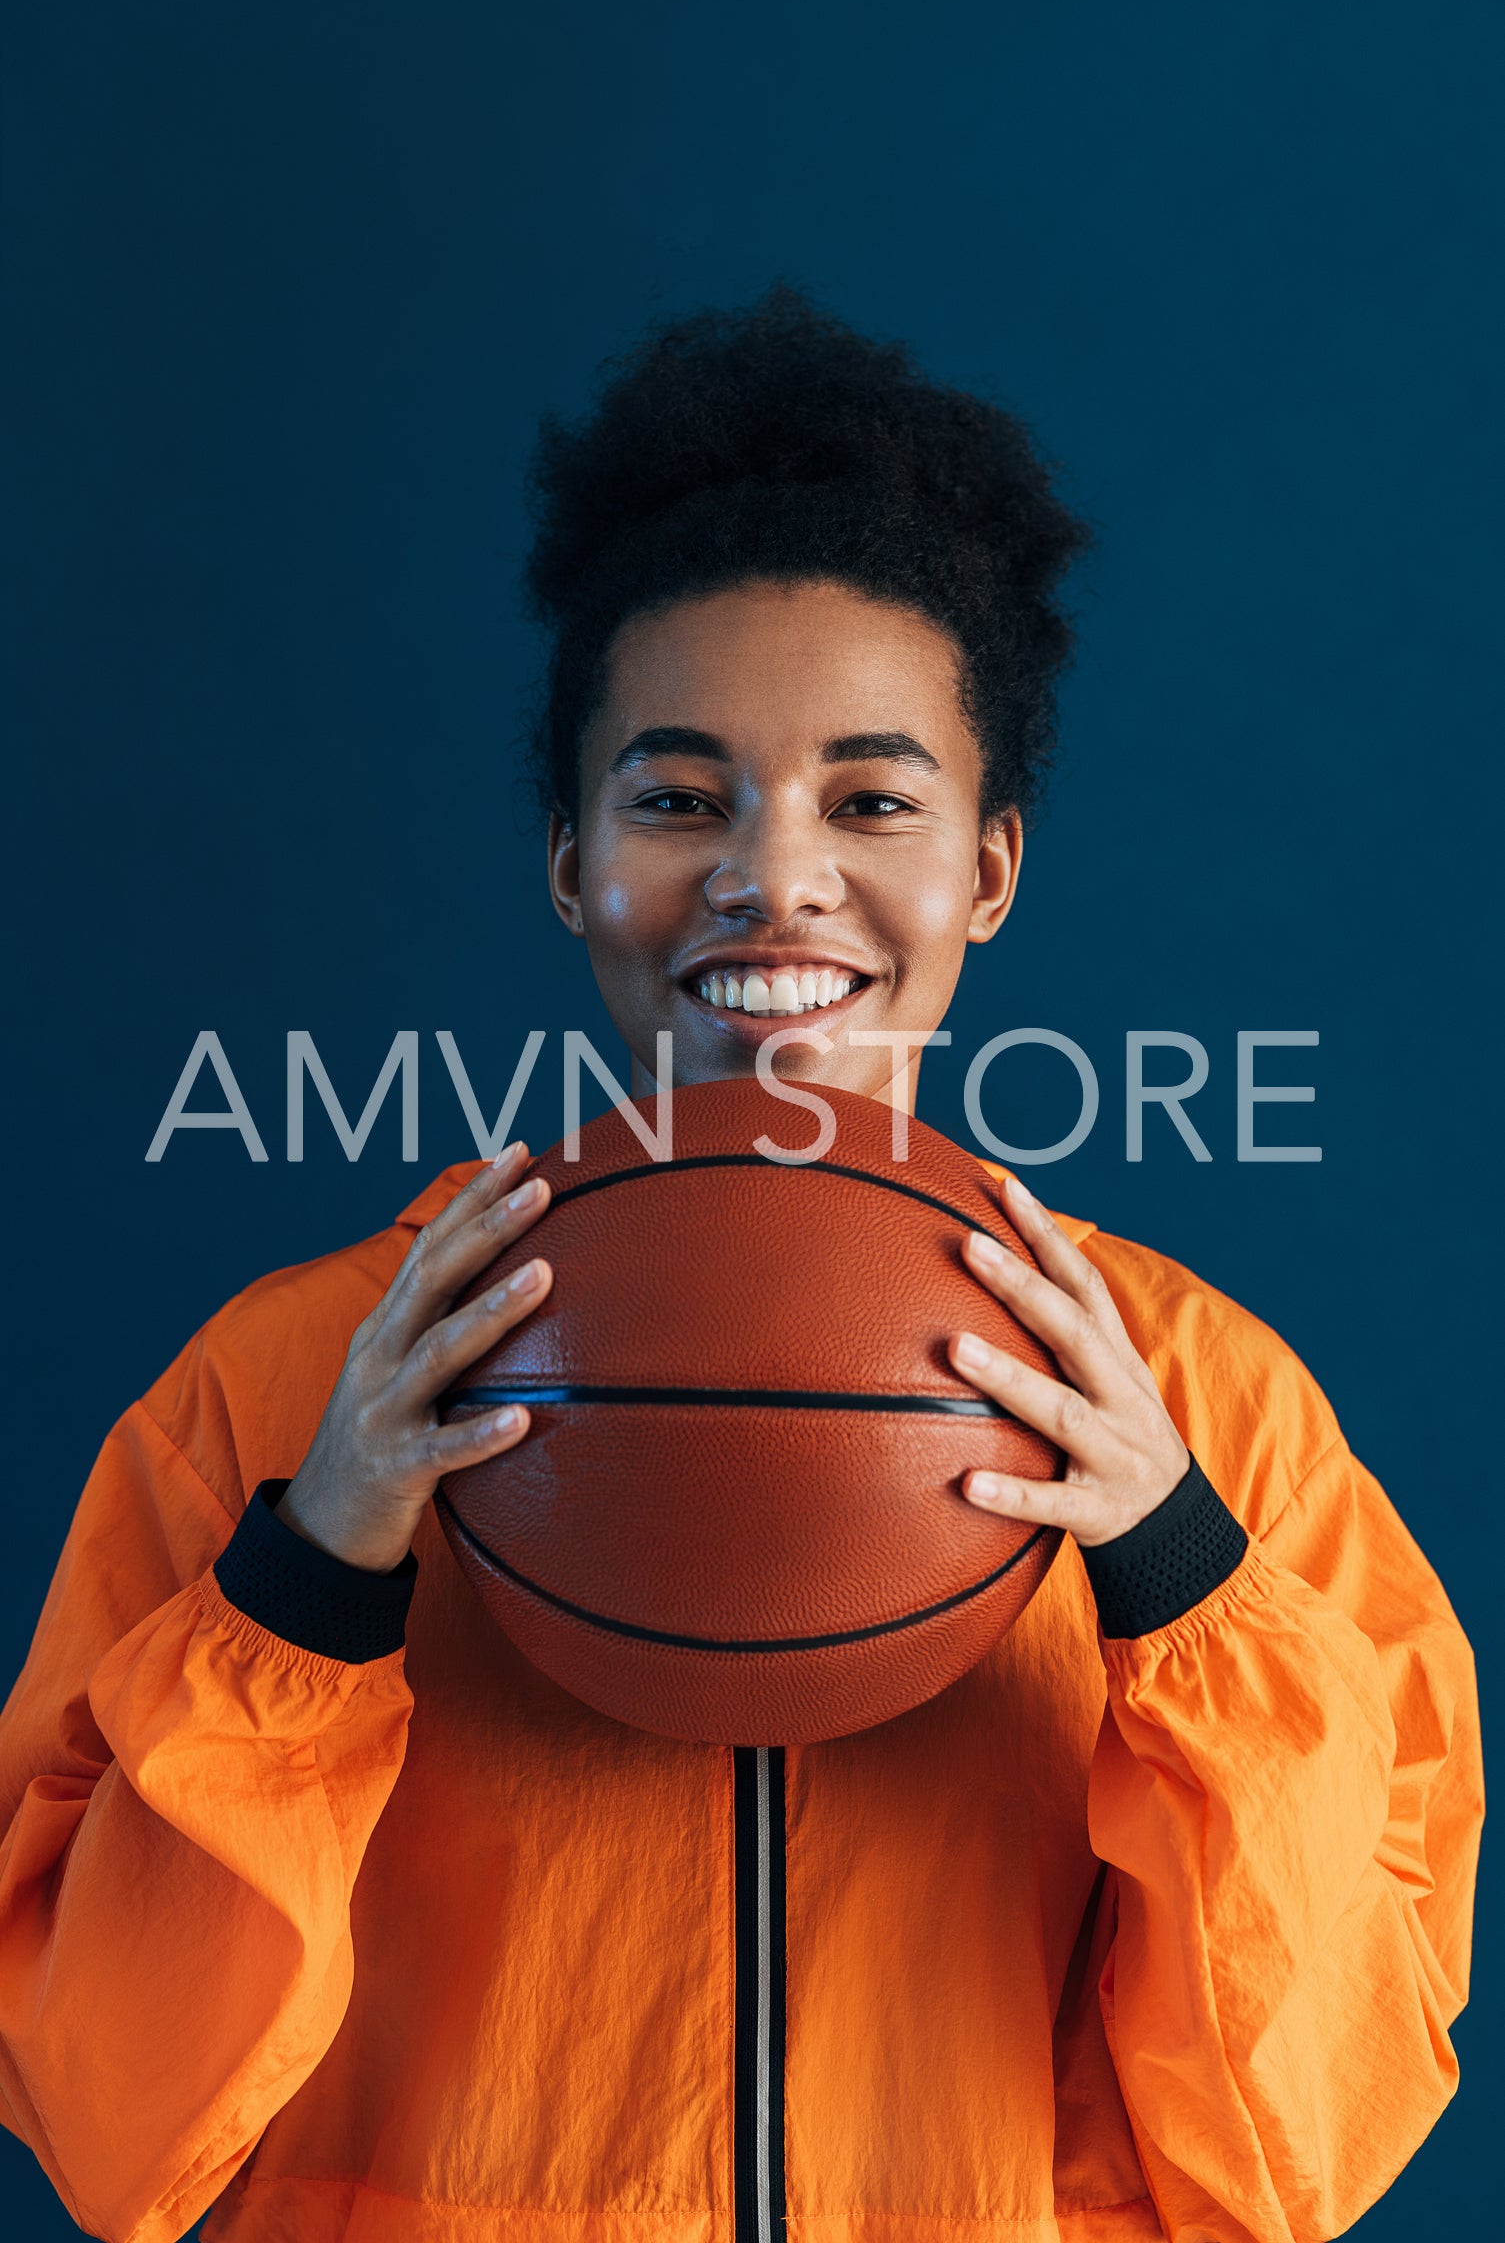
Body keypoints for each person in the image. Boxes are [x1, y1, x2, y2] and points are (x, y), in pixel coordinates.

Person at [0, 288, 1481, 2243]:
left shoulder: (1208, 1404)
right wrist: (309, 1579)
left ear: (990, 868)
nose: (773, 877)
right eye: (677, 797)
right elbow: (108, 2129)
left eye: (874, 798)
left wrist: (1178, 1588)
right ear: (570, 859)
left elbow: (1302, 2154)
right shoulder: (286, 1385)